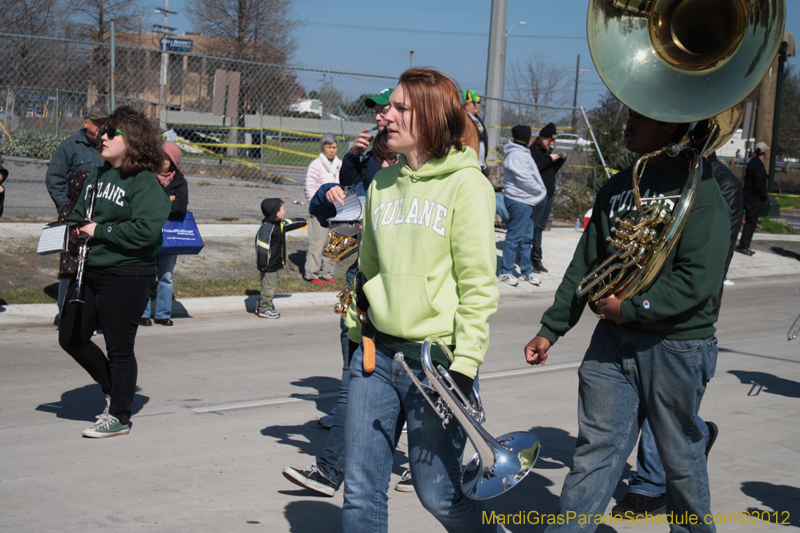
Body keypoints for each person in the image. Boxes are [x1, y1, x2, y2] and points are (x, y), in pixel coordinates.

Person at [525, 109, 730, 533]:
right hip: (612, 339)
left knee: (679, 457)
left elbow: (699, 279)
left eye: (642, 115)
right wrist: (552, 329)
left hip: (674, 345)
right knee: (595, 449)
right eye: (630, 113)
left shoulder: (700, 189)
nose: (628, 122)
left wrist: (633, 308)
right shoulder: (619, 185)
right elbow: (586, 262)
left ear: (673, 124)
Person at [340, 68, 500, 533]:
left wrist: (465, 365)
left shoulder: (468, 185)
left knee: (438, 496)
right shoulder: (382, 185)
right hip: (373, 356)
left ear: (430, 116)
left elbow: (478, 285)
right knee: (360, 491)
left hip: (435, 368)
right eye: (388, 107)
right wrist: (356, 331)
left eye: (399, 108)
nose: (385, 115)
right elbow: (365, 269)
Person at [611, 150, 743, 518]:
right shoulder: (653, 175)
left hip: (676, 317)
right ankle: (694, 435)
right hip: (635, 308)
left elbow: (709, 262)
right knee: (662, 409)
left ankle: (651, 486)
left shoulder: (719, 185)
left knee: (662, 407)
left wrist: (658, 303)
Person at [282, 131, 400, 496]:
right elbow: (325, 211)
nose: (382, 166)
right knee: (352, 385)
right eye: (377, 159)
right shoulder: (368, 194)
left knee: (411, 404)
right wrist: (326, 192)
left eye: (389, 159)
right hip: (360, 298)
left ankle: (435, 467)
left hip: (400, 309)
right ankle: (331, 471)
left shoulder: (412, 196)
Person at [58, 105, 171, 438]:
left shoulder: (144, 182)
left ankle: (120, 414)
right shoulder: (96, 176)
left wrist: (98, 231)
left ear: (131, 139)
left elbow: (146, 232)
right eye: (101, 131)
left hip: (128, 274)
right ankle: (115, 388)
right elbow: (81, 214)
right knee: (71, 337)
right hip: (90, 271)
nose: (101, 136)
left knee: (120, 347)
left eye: (111, 132)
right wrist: (75, 229)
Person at [46, 104, 108, 323]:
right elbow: (54, 179)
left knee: (96, 264)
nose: (101, 127)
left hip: (100, 218)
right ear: (85, 122)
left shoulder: (108, 146)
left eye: (104, 122)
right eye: (97, 123)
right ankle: (65, 313)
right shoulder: (70, 146)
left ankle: (93, 314)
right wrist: (67, 209)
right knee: (70, 265)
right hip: (74, 218)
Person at [140, 142, 188, 327]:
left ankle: (162, 314)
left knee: (166, 276)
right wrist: (169, 199)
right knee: (146, 274)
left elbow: (180, 207)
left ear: (173, 161)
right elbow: (144, 203)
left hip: (169, 236)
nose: (161, 161)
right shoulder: (146, 177)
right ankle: (142, 313)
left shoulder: (180, 181)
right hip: (147, 233)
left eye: (166, 158)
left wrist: (162, 202)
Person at [498, 125, 546, 287]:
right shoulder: (516, 155)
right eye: (531, 136)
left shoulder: (522, 153)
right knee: (514, 237)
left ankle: (526, 270)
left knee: (527, 238)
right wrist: (540, 190)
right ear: (525, 138)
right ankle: (506, 271)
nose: (532, 139)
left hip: (527, 200)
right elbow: (525, 179)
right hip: (519, 201)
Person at [255, 199, 306, 319]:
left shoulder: (278, 224)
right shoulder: (267, 228)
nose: (285, 211)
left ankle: (260, 306)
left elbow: (289, 223)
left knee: (268, 286)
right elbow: (262, 247)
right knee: (269, 287)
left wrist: (304, 221)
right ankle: (265, 309)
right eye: (283, 209)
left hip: (272, 263)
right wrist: (263, 264)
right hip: (268, 264)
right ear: (276, 213)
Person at [303, 133, 341, 285]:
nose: (332, 150)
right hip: (320, 211)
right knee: (316, 243)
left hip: (336, 211)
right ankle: (312, 273)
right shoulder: (316, 165)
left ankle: (328, 272)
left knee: (333, 243)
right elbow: (309, 187)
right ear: (322, 147)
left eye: (334, 147)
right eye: (329, 147)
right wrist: (316, 205)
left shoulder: (339, 164)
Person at [529, 123, 566, 273]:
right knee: (535, 225)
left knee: (541, 226)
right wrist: (549, 158)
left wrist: (559, 160)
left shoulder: (547, 152)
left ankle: (537, 258)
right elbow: (536, 168)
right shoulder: (534, 151)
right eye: (549, 139)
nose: (551, 143)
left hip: (549, 192)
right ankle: (531, 257)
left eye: (552, 141)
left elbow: (551, 171)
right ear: (542, 138)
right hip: (539, 193)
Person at [736, 141, 769, 256]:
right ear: (764, 152)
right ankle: (744, 245)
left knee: (741, 220)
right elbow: (759, 184)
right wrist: (764, 197)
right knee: (751, 222)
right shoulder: (758, 165)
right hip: (754, 198)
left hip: (747, 195)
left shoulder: (752, 163)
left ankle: (743, 244)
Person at [463, 89, 489, 176]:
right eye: (477, 102)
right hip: (468, 163)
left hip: (479, 163)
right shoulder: (462, 117)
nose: (479, 105)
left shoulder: (477, 118)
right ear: (470, 103)